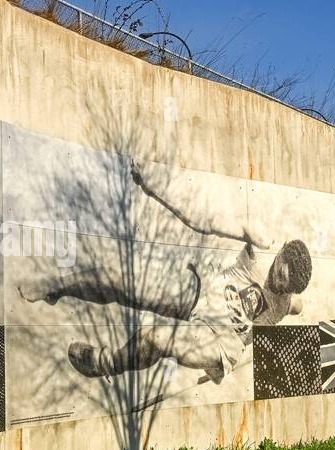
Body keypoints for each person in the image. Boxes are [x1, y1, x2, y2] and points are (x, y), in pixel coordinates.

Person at [17, 157, 312, 385]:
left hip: (218, 339)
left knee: (155, 337)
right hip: (200, 291)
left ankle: (104, 363)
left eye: (285, 287)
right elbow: (202, 221)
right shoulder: (261, 244)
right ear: (281, 252)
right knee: (119, 280)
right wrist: (154, 188)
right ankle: (55, 287)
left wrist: (217, 363)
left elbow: (295, 306)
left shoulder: (286, 302)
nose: (278, 284)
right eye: (279, 275)